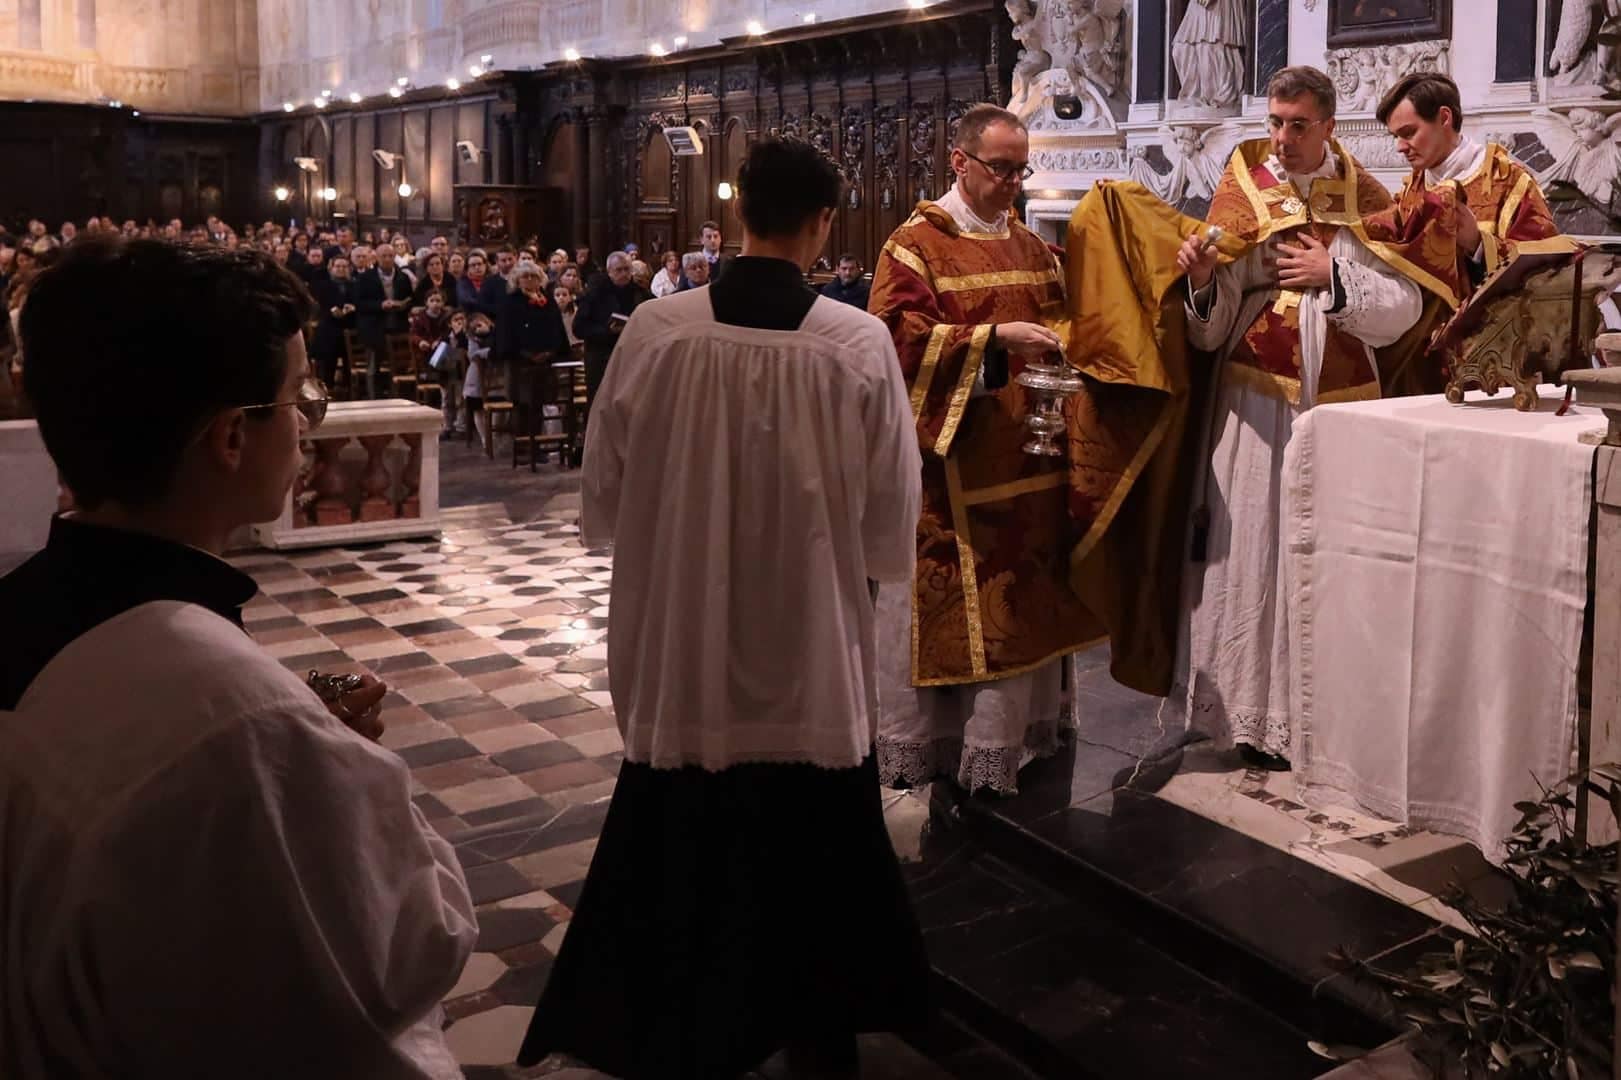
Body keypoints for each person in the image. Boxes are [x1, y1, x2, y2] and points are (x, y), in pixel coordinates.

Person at [1, 238, 476, 1077]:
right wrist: (331, 764)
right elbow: (400, 956)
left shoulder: (21, 607)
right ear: (230, 437)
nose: (307, 424)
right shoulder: (242, 725)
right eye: (298, 397)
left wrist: (299, 749)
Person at [518, 135, 927, 1080]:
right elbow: (889, 512)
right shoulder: (855, 342)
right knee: (816, 849)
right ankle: (812, 1024)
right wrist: (863, 556)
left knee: (682, 838)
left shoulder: (656, 331)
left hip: (683, 640)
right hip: (808, 642)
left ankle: (676, 1023)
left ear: (738, 212)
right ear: (824, 224)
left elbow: (604, 482)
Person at [1170, 66, 1428, 769]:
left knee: (1334, 553)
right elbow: (1210, 329)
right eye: (1274, 123)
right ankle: (1246, 715)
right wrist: (1202, 282)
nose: (1281, 139)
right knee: (1252, 550)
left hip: (1344, 409)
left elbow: (1405, 309)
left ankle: (1331, 716)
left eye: (1297, 126)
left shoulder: (1368, 198)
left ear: (1328, 127)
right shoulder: (1244, 188)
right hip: (1255, 404)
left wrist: (1332, 276)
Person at [869, 103, 1093, 795]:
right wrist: (993, 340)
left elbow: (1075, 314)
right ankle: (948, 747)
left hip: (1031, 464)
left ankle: (1013, 738)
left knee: (1024, 611)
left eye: (1022, 169)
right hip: (955, 475)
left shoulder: (1029, 246)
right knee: (961, 613)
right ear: (959, 162)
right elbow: (894, 341)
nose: (1014, 183)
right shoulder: (914, 246)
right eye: (1001, 168)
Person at [496, 265, 570, 453]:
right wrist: (527, 354)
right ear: (517, 280)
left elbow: (557, 329)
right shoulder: (510, 302)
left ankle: (536, 446)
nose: (529, 279)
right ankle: (523, 448)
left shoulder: (548, 301)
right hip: (520, 363)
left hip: (545, 362)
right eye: (525, 276)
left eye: (533, 276)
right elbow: (505, 334)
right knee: (523, 407)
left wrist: (551, 351)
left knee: (539, 405)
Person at [574, 250, 651, 417]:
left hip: (631, 357)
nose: (624, 274)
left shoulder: (640, 293)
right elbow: (579, 328)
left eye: (627, 269)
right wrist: (606, 330)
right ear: (609, 271)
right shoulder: (595, 293)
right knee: (600, 406)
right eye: (619, 270)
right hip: (601, 357)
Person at [354, 244, 414, 396]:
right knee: (374, 367)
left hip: (397, 326)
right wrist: (380, 305)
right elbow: (359, 303)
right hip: (374, 328)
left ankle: (400, 396)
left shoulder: (403, 277)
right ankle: (374, 398)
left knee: (399, 366)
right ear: (376, 258)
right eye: (383, 256)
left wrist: (402, 304)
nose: (387, 259)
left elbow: (410, 299)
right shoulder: (366, 278)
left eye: (390, 256)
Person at [312, 252, 359, 388]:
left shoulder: (355, 285)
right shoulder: (323, 285)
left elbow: (359, 302)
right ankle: (328, 388)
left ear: (349, 268)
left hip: (349, 328)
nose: (341, 269)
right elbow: (320, 304)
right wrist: (331, 309)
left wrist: (353, 307)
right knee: (328, 363)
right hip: (329, 329)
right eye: (338, 266)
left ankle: (349, 390)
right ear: (331, 268)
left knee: (349, 363)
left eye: (344, 266)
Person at [456, 249, 506, 321]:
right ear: (468, 268)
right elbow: (467, 302)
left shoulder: (494, 281)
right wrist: (489, 306)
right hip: (470, 319)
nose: (477, 267)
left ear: (485, 265)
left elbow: (500, 302)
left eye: (479, 264)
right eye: (473, 265)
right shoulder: (463, 282)